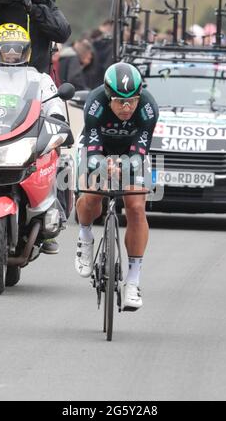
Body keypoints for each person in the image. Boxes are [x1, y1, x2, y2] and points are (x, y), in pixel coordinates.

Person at [0, 22, 69, 254]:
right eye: (6, 49)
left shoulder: (39, 79)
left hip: (25, 141)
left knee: (59, 156)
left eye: (17, 49)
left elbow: (54, 104)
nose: (11, 54)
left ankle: (54, 215)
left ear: (26, 51)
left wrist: (58, 119)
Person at [75, 62, 159, 310]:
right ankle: (85, 235)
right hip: (98, 148)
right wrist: (102, 167)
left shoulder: (148, 108)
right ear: (108, 96)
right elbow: (91, 152)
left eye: (132, 101)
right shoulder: (95, 103)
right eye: (120, 102)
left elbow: (140, 151)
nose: (127, 107)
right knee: (92, 194)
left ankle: (133, 281)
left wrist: (123, 167)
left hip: (131, 151)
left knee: (135, 206)